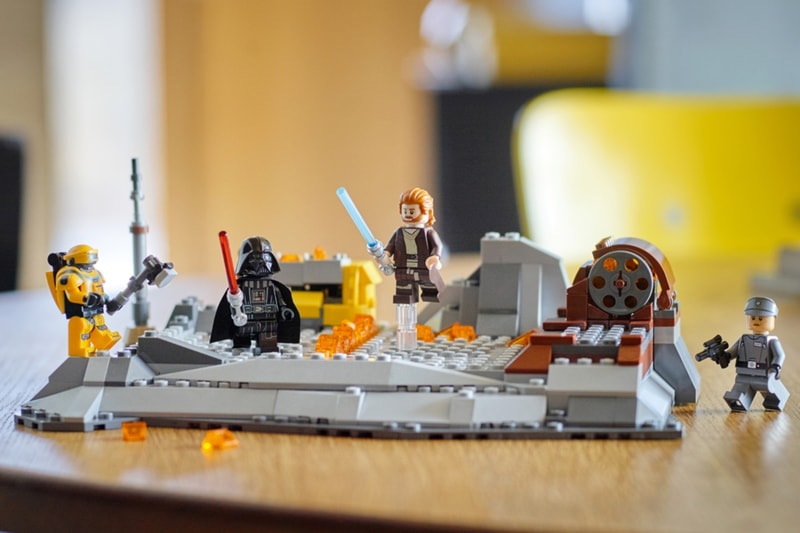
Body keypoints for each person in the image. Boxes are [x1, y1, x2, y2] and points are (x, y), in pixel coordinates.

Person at [210, 236, 300, 352]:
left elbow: (280, 301)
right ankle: (241, 349)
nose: (261, 262)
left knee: (268, 344)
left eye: (265, 258)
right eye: (255, 258)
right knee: (241, 342)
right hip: (245, 320)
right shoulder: (240, 287)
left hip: (268, 319)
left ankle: (266, 350)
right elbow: (232, 303)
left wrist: (284, 309)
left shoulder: (274, 287)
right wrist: (235, 313)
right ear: (245, 261)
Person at [700, 296, 790, 411]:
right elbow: (733, 351)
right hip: (744, 375)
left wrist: (775, 368)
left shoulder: (772, 341)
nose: (756, 321)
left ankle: (774, 401)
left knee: (773, 392)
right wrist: (725, 356)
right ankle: (740, 403)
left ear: (773, 319)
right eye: (752, 318)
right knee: (738, 394)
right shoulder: (743, 339)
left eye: (761, 318)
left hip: (765, 376)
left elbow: (780, 355)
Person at [47, 245, 121, 357]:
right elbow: (72, 295)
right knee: (81, 327)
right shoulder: (71, 274)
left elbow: (100, 291)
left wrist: (108, 301)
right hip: (80, 312)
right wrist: (87, 298)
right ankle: (79, 351)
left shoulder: (95, 273)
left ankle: (102, 343)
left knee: (100, 324)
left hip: (95, 311)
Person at [383, 187, 444, 304]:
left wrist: (435, 257)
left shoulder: (429, 233)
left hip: (424, 269)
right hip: (403, 270)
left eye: (411, 212)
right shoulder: (399, 233)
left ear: (427, 212)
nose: (408, 215)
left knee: (433, 295)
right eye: (405, 211)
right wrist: (384, 255)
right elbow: (390, 247)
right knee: (404, 298)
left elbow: (437, 246)